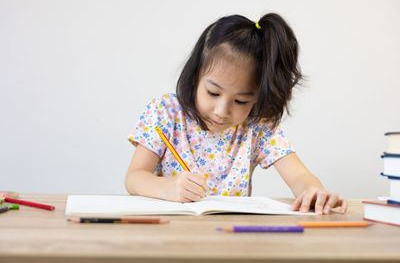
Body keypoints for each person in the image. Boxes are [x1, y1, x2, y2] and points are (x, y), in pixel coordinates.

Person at [125, 13, 348, 215]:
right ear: (195, 77)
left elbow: (299, 176)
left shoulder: (258, 125)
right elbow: (134, 178)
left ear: (257, 98)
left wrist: (314, 191)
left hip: (231, 238)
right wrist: (167, 188)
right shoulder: (166, 112)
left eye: (241, 100)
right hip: (169, 234)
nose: (222, 111)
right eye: (213, 92)